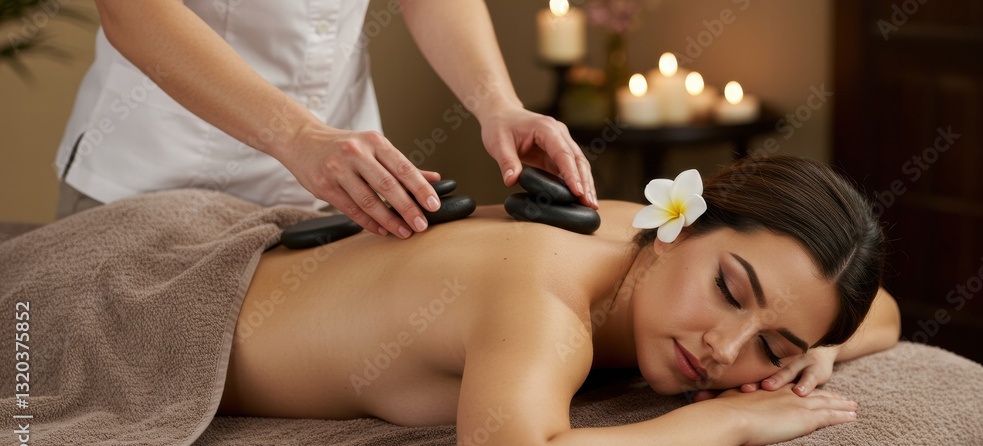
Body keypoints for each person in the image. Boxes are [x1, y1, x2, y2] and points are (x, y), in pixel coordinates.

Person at [216, 155, 901, 446]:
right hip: (173, 301)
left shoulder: (632, 235)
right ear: (677, 227)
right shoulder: (543, 294)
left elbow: (884, 311)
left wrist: (817, 352)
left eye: (772, 343)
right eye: (727, 289)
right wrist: (728, 419)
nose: (724, 349)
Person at [54, 0, 597, 237]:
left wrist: (495, 102)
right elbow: (132, 10)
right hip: (152, 178)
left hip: (330, 197)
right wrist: (298, 136)